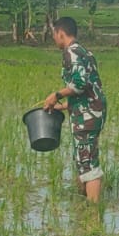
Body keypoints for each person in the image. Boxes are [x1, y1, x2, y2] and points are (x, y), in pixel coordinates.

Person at [41, 16, 106, 202]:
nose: (54, 39)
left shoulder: (72, 52)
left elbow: (79, 84)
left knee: (88, 162)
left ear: (60, 33)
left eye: (54, 35)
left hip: (88, 115)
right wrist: (61, 107)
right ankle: (83, 203)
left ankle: (93, 213)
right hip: (89, 111)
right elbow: (87, 90)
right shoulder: (85, 52)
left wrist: (56, 95)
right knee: (83, 156)